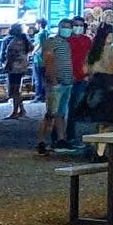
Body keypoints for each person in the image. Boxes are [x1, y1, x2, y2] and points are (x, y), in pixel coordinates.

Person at [36, 23, 72, 156]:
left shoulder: (66, 43)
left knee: (61, 114)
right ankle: (41, 141)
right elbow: (48, 60)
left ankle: (61, 139)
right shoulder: (51, 42)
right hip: (56, 83)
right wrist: (52, 77)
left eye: (70, 27)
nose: (68, 29)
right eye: (65, 26)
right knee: (50, 113)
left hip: (67, 82)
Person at [81, 23, 113, 132]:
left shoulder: (92, 51)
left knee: (98, 118)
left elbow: (84, 70)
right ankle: (103, 146)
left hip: (94, 85)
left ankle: (97, 143)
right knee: (109, 120)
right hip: (108, 86)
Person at [63, 17, 93, 147]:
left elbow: (90, 58)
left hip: (82, 79)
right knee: (62, 110)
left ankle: (70, 136)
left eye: (81, 25)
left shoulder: (87, 40)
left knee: (74, 109)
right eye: (76, 25)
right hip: (68, 78)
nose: (78, 27)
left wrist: (88, 74)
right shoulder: (66, 40)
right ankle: (60, 137)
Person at [2, 23, 31, 118]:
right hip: (21, 67)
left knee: (14, 90)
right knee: (17, 90)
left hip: (14, 68)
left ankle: (15, 112)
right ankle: (22, 109)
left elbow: (11, 56)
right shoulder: (25, 40)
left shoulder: (14, 42)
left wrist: (7, 66)